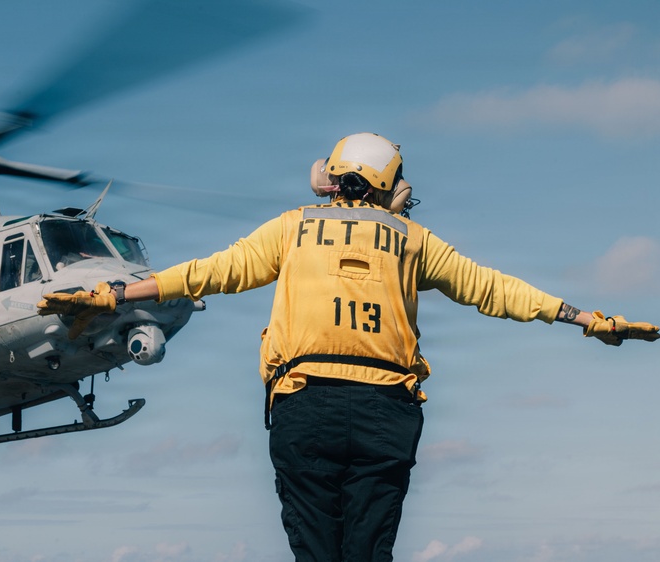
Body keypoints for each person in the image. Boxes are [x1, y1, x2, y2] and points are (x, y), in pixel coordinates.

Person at [36, 132, 659, 562]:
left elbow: (207, 273)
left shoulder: (293, 228)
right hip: (388, 411)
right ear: (390, 185)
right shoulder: (413, 239)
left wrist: (114, 295)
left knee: (315, 549)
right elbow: (494, 289)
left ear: (331, 178)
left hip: (306, 405)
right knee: (369, 551)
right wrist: (586, 318)